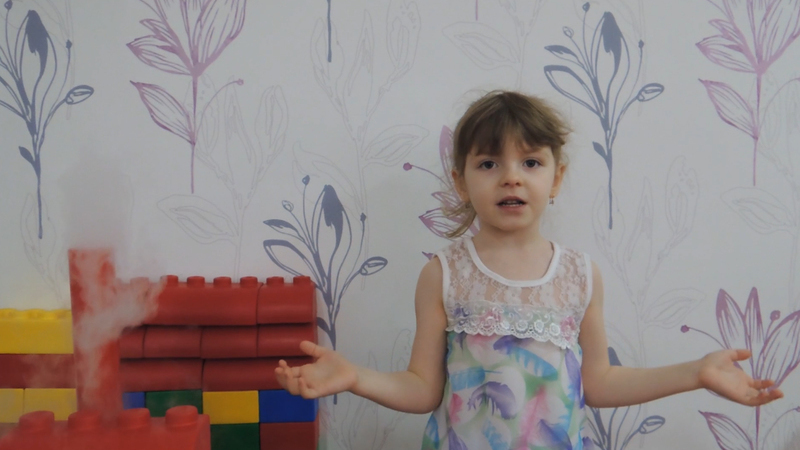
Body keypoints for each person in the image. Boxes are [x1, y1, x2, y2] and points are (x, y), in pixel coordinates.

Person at [275, 90, 784, 449]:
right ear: (461, 181)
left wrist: (695, 372)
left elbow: (600, 383)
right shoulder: (444, 275)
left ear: (557, 178)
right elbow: (422, 388)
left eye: (531, 163)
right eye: (489, 164)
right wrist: (355, 377)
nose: (511, 178)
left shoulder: (580, 275)